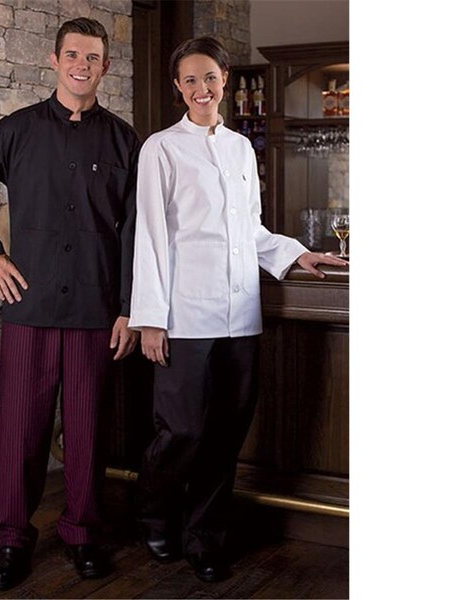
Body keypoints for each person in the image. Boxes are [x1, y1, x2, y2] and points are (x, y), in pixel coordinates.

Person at [128, 36, 347, 583]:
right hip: (184, 316)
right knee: (181, 431)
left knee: (225, 435)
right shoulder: (160, 149)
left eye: (210, 77)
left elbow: (250, 230)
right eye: (190, 80)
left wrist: (297, 253)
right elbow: (150, 236)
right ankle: (154, 512)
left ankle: (204, 537)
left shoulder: (242, 149)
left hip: (240, 316)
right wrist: (150, 318)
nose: (202, 88)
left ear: (225, 79)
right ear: (178, 88)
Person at [0, 18, 141, 591]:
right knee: (21, 429)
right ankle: (12, 538)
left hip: (97, 310)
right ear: (55, 61)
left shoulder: (125, 142)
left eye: (93, 57)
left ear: (105, 67)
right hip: (29, 306)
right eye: (73, 55)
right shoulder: (15, 131)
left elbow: (138, 232)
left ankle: (83, 533)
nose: (83, 65)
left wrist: (129, 307)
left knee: (88, 431)